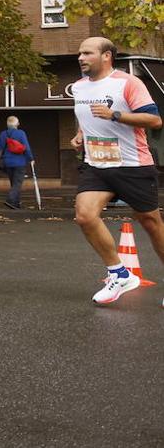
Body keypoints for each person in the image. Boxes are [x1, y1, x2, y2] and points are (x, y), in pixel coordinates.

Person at [69, 37, 164, 306]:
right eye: (80, 53)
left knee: (151, 223)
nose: (80, 58)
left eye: (87, 53)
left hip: (133, 164)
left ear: (106, 56)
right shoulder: (78, 87)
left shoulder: (128, 83)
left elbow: (155, 120)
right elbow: (86, 116)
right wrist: (80, 133)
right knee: (85, 216)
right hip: (98, 165)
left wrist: (115, 115)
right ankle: (119, 273)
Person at [0, 116, 35, 209]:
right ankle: (10, 200)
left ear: (8, 124)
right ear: (17, 124)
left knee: (13, 183)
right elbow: (26, 147)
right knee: (17, 184)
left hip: (7, 162)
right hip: (19, 162)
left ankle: (15, 204)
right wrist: (30, 159)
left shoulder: (3, 134)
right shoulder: (21, 133)